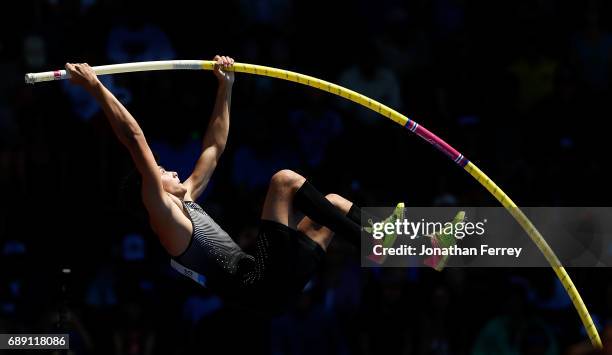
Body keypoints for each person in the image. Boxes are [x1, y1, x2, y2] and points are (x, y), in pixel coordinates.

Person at [65, 56, 398, 314]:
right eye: (163, 172)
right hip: (258, 283)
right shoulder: (165, 217)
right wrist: (96, 87)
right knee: (283, 182)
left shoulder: (186, 201)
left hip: (273, 285)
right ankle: (378, 242)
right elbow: (134, 138)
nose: (172, 173)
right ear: (151, 190)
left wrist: (226, 86)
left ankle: (418, 245)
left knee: (335, 204)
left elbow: (214, 147)